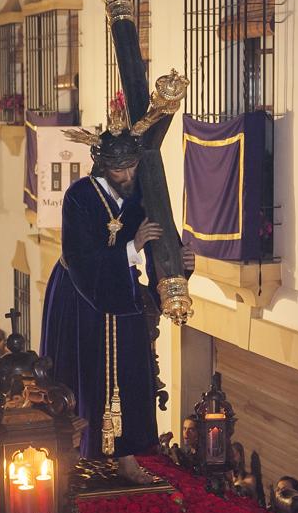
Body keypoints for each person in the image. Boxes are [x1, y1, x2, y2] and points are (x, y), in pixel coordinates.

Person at [40, 124, 195, 483]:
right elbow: (77, 256)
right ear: (102, 165)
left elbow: (160, 249)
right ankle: (72, 455)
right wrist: (131, 247)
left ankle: (126, 458)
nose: (126, 175)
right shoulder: (80, 196)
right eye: (118, 168)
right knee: (83, 372)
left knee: (130, 372)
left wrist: (180, 266)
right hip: (80, 297)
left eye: (131, 166)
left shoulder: (145, 194)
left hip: (124, 296)